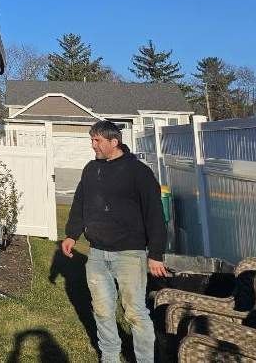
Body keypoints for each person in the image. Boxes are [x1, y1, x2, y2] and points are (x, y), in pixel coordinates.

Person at [61, 120, 168, 363]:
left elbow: (154, 214)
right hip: (97, 253)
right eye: (92, 140)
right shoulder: (91, 169)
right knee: (102, 311)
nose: (93, 145)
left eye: (97, 140)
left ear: (114, 142)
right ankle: (109, 357)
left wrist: (156, 254)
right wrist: (71, 234)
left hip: (130, 254)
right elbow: (80, 203)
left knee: (135, 313)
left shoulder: (138, 172)